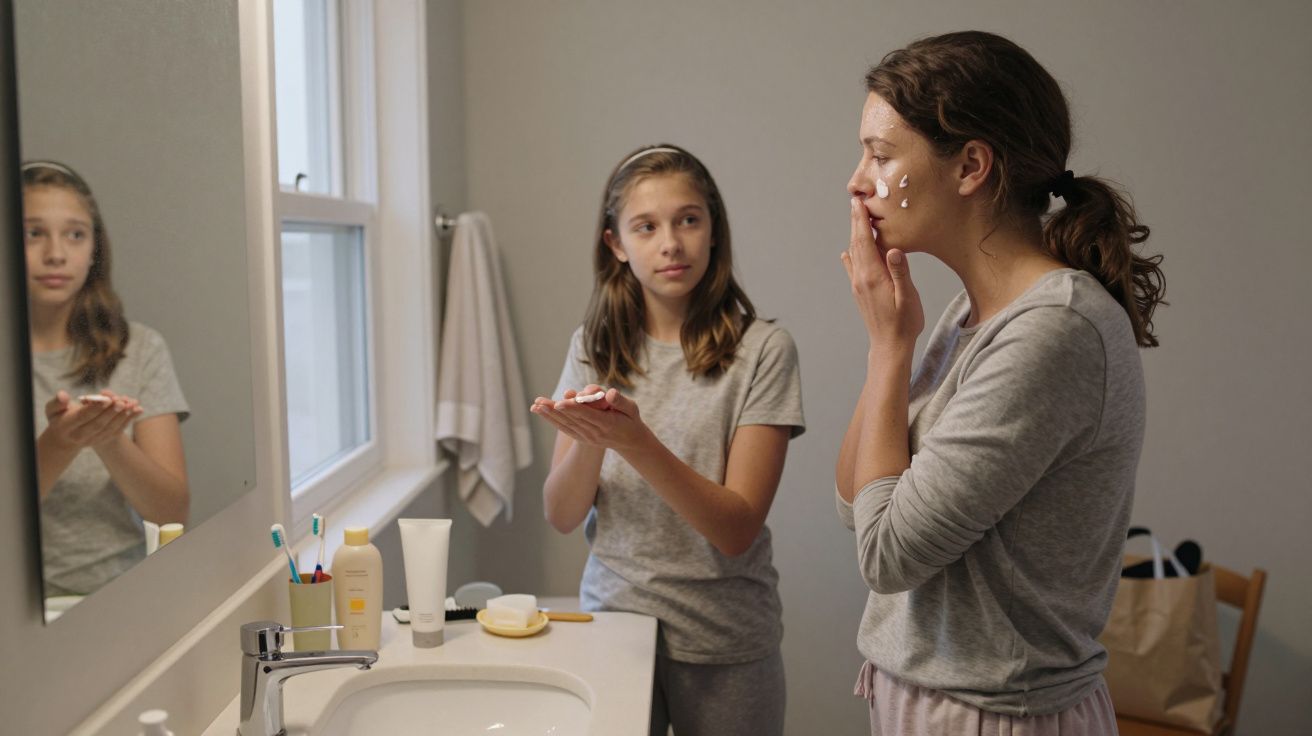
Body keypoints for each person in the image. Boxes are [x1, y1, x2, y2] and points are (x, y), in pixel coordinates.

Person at [833, 31, 1165, 733]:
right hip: (938, 700)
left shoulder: (1054, 332)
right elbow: (854, 503)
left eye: (881, 155)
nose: (859, 180)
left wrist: (893, 354)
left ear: (971, 166)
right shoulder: (971, 312)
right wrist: (889, 344)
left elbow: (885, 553)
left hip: (994, 715)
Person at [530, 144, 805, 736]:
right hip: (615, 632)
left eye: (688, 220)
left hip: (726, 640)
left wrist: (633, 440)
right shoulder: (593, 347)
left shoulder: (763, 351)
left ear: (713, 230)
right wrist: (592, 436)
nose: (671, 244)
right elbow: (560, 513)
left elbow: (736, 530)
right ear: (616, 245)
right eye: (646, 227)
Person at [23, 161, 190, 598]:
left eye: (75, 234)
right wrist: (59, 443)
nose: (55, 253)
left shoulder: (139, 348)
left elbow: (171, 514)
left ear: (95, 248)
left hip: (122, 598)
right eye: (33, 233)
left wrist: (109, 439)